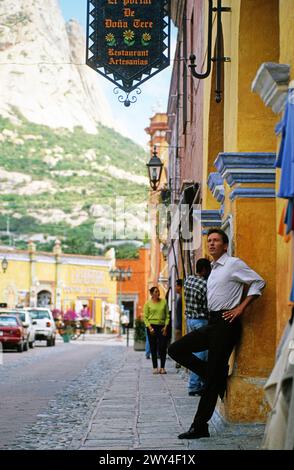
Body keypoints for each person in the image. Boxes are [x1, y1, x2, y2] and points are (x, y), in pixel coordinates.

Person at [168, 228, 266, 439]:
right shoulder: (213, 267)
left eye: (216, 241)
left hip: (227, 323)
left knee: (211, 378)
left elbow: (259, 282)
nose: (211, 243)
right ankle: (216, 376)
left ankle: (199, 426)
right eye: (209, 240)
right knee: (175, 349)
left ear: (224, 245)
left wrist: (241, 308)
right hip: (212, 322)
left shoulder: (233, 264)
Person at [184, 259, 211, 395]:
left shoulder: (188, 280)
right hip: (201, 321)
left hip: (189, 320)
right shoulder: (205, 284)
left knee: (195, 352)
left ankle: (198, 383)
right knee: (201, 356)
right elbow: (209, 304)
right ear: (205, 270)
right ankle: (194, 386)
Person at [144, 286, 170, 374]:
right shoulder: (148, 304)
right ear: (151, 294)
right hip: (151, 327)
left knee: (162, 347)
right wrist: (149, 327)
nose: (158, 293)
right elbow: (145, 317)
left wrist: (166, 326)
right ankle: (155, 367)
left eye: (158, 291)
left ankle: (162, 367)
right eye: (155, 292)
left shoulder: (164, 302)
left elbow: (167, 315)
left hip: (162, 327)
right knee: (153, 347)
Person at [174, 279, 183, 369]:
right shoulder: (179, 297)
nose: (175, 288)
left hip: (180, 325)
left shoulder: (181, 298)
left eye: (176, 286)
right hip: (178, 325)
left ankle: (179, 362)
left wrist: (179, 326)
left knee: (178, 344)